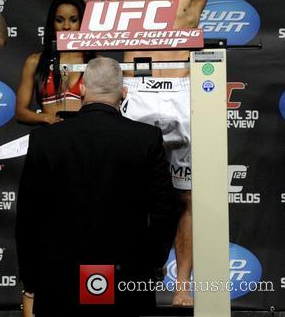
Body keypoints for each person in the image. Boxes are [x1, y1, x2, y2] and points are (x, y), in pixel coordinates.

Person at [44, 0, 270, 306]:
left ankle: (182, 287)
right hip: (135, 90)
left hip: (187, 90)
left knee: (187, 197)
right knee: (120, 192)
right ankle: (125, 283)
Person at [16, 57, 178, 317]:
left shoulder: (45, 140)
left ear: (81, 90)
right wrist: (149, 266)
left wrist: (31, 280)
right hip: (127, 277)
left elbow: (28, 216)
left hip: (59, 280)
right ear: (123, 93)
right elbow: (165, 211)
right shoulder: (146, 138)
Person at [16, 0, 95, 125]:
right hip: (52, 136)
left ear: (83, 22)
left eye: (74, 20)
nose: (66, 26)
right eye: (59, 20)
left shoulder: (97, 63)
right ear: (52, 23)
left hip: (85, 135)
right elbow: (21, 113)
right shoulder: (35, 61)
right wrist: (47, 118)